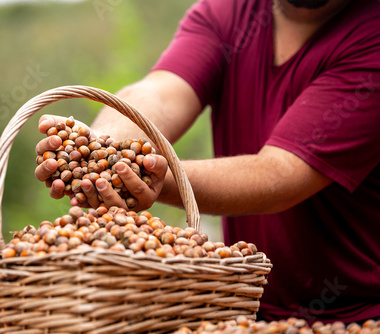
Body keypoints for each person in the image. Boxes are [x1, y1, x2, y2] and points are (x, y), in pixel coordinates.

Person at [35, 0, 380, 324]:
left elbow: (280, 173)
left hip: (357, 315)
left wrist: (154, 177)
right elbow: (162, 92)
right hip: (246, 307)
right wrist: (100, 147)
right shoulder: (229, 10)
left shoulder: (372, 34)